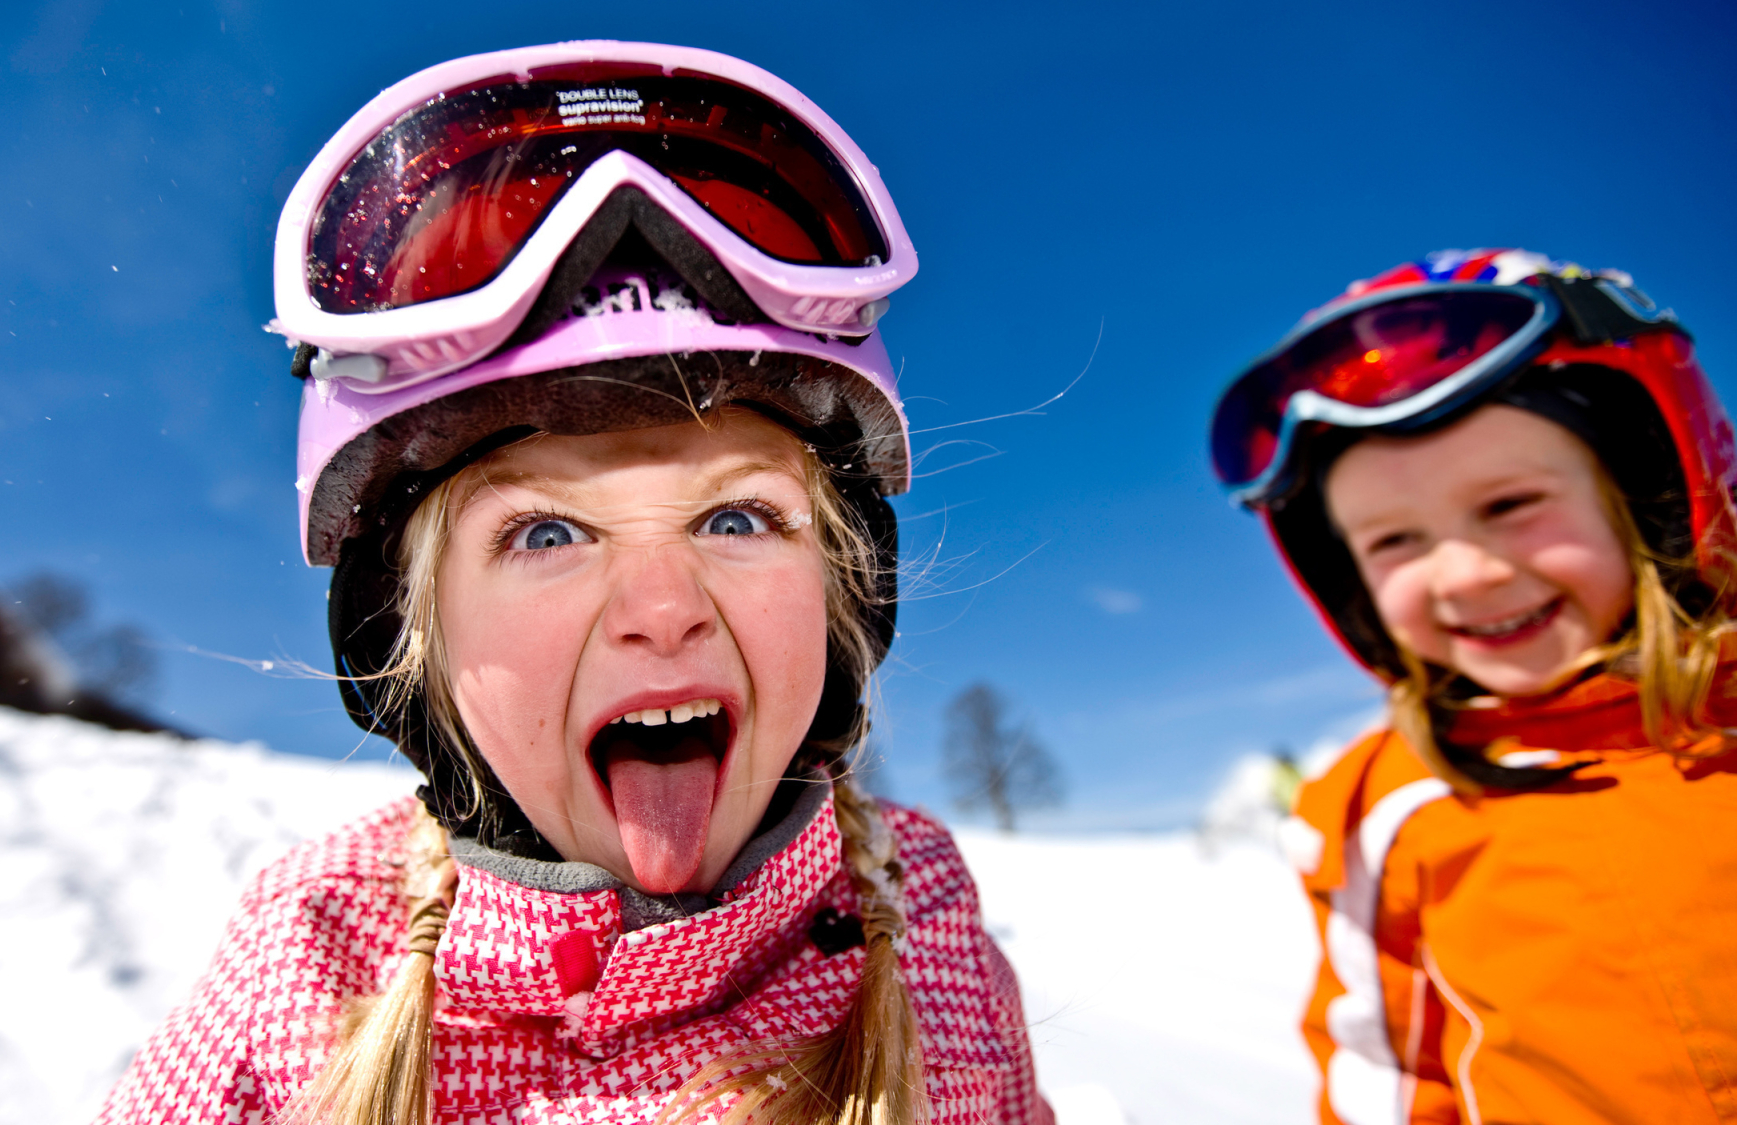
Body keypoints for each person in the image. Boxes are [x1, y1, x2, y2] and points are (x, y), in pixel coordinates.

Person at [97, 42, 1049, 1125]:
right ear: (407, 640)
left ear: (845, 596)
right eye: (546, 533)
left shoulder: (920, 916)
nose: (663, 611)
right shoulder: (302, 976)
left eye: (736, 518)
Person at [1208, 248, 1737, 1125]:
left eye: (1509, 505)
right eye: (1395, 543)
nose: (1463, 575)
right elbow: (1386, 1078)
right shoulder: (1388, 804)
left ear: (1643, 492)